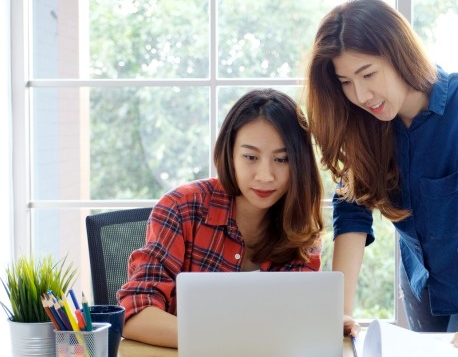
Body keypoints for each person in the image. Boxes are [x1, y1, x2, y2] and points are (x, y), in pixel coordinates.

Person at [304, 0, 458, 357]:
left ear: (398, 54)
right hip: (423, 274)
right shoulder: (362, 122)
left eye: (368, 74)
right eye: (346, 82)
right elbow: (352, 214)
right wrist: (340, 313)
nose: (361, 95)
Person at [117, 88, 325, 348]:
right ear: (230, 154)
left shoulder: (300, 229)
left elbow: (294, 325)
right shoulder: (181, 208)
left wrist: (323, 321)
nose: (265, 175)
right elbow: (135, 314)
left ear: (300, 163)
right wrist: (223, 341)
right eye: (250, 157)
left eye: (282, 159)